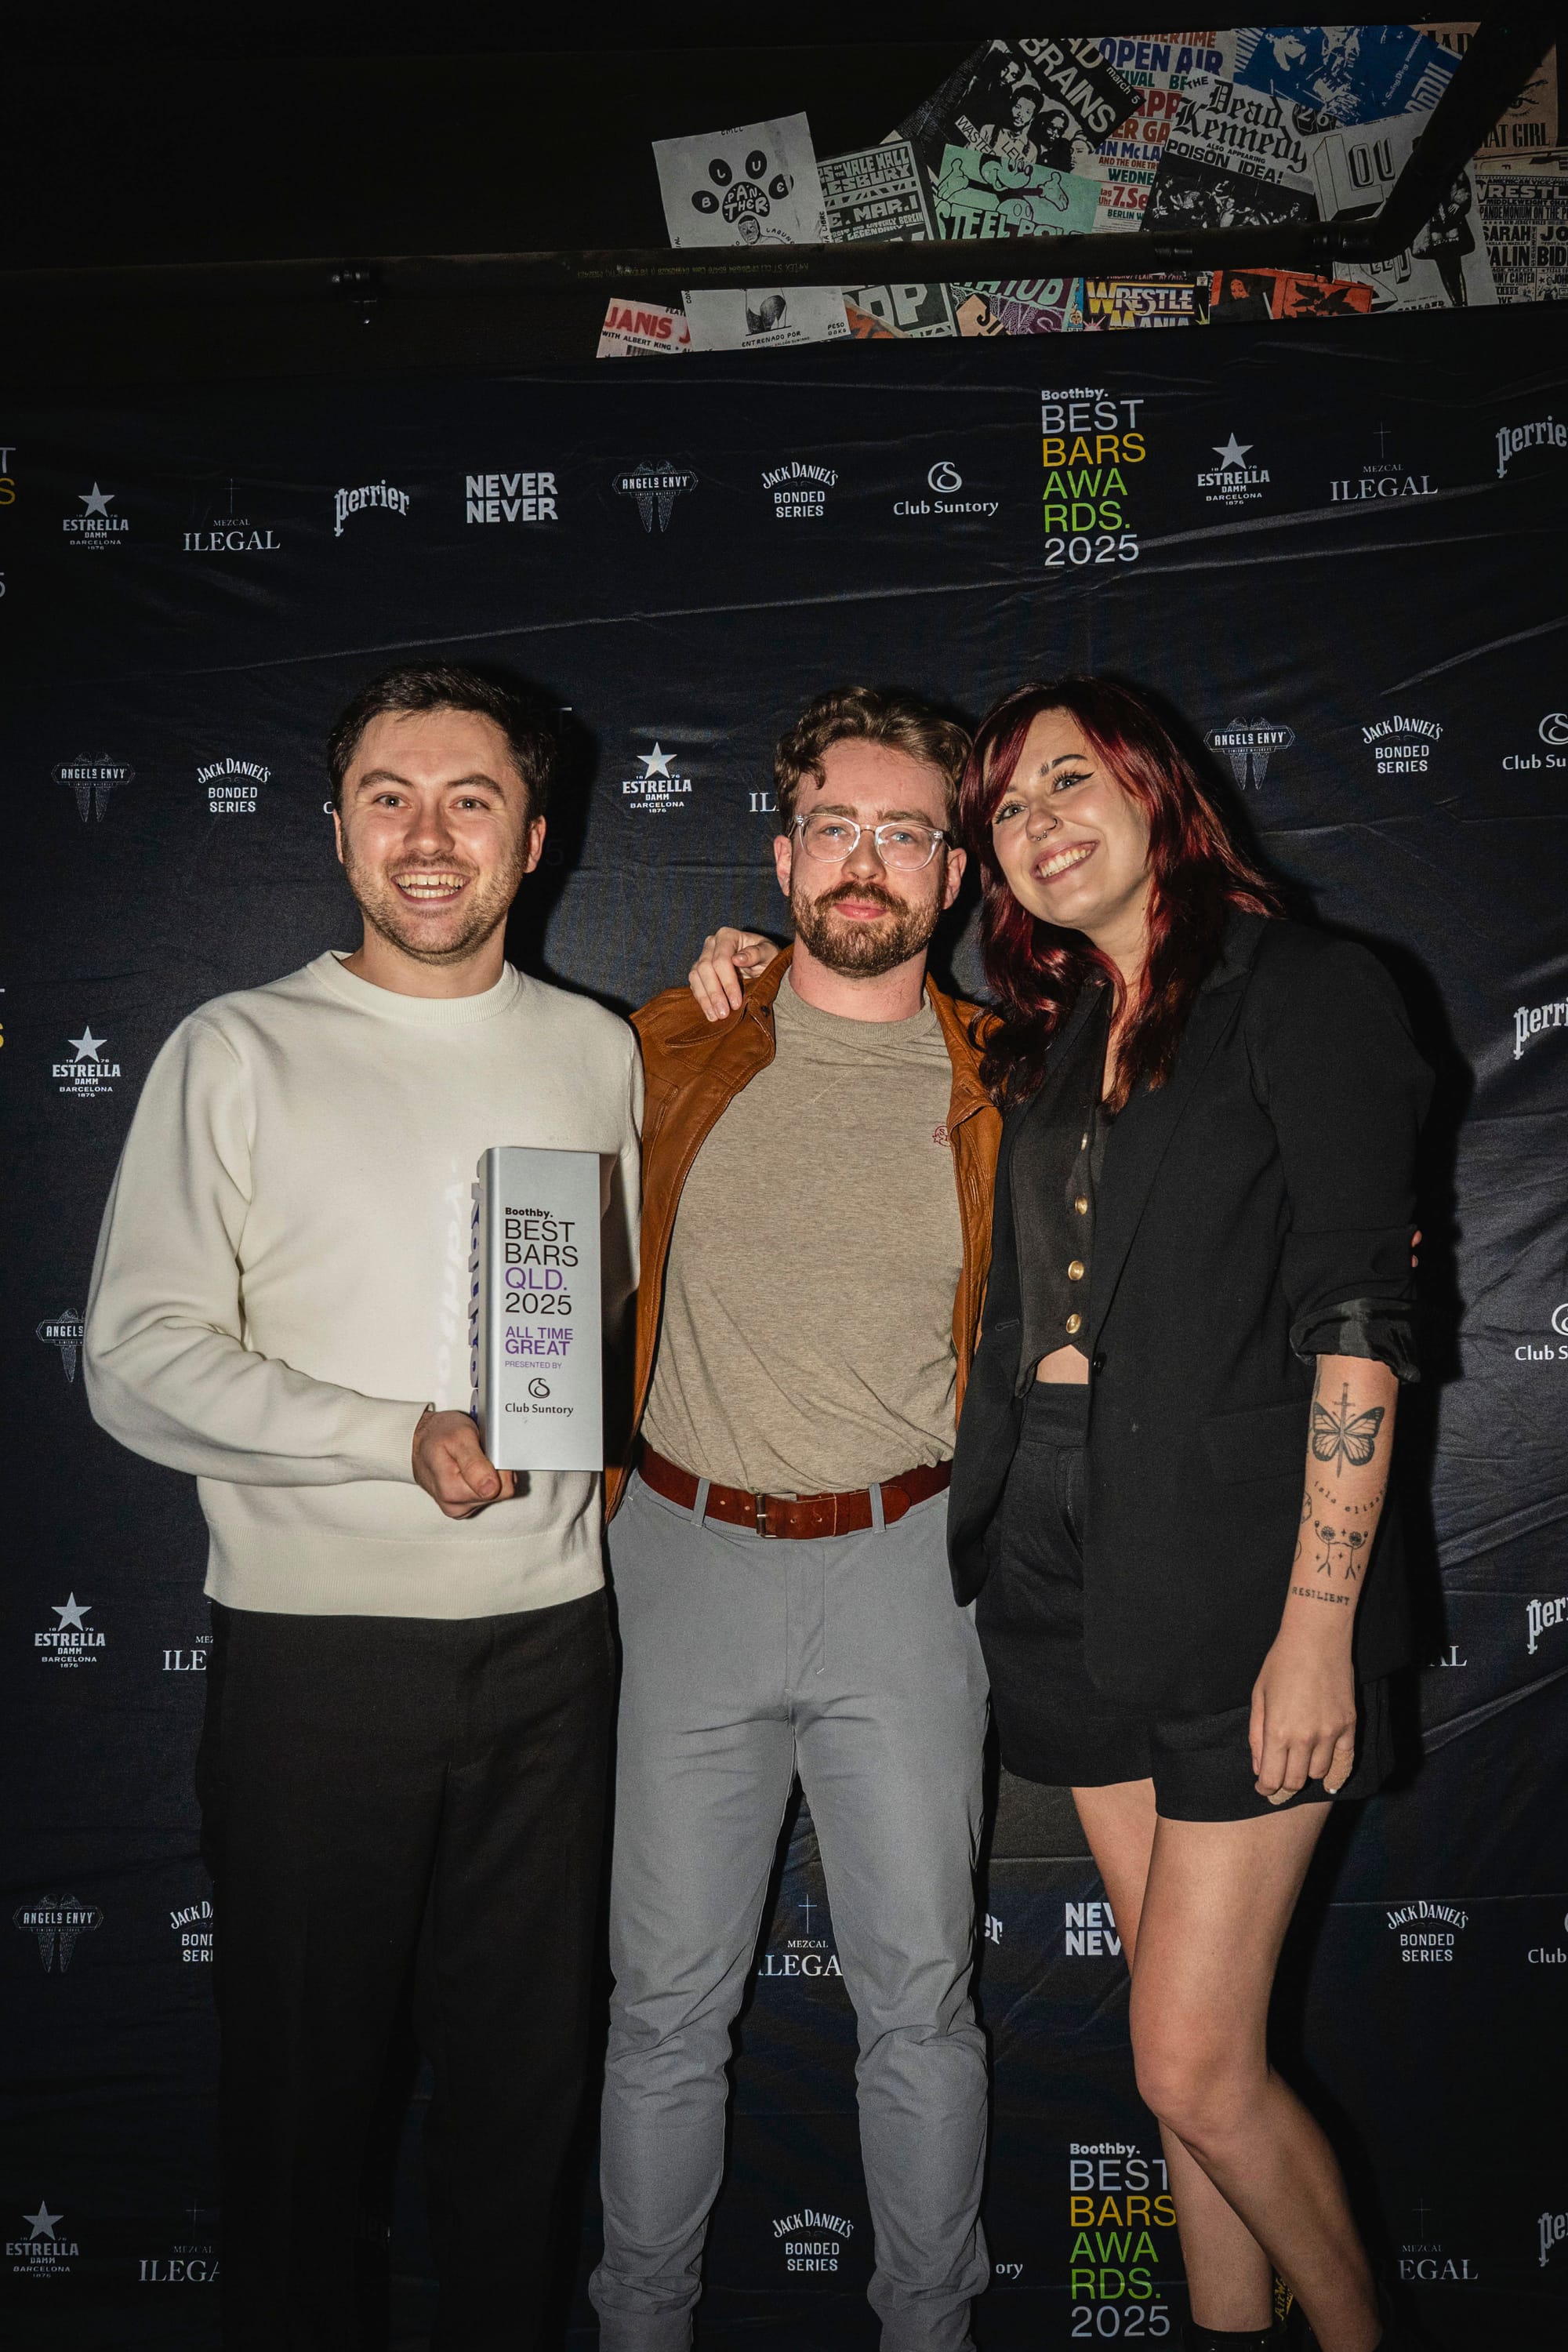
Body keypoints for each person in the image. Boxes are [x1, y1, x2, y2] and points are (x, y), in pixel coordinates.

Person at [84, 664, 641, 2349]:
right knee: (301, 2128)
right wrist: (392, 1435)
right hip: (317, 1672)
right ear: (333, 831)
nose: (428, 833)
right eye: (389, 795)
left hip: (553, 1662)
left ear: (533, 840)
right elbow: (135, 1360)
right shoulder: (236, 1048)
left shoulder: (598, 1053)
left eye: (471, 798)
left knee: (523, 2120)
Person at [947, 676, 1431, 2352]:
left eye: (1065, 781)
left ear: (1158, 790)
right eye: (1002, 808)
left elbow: (1361, 1320)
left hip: (1247, 1582)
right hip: (1059, 1558)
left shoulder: (1308, 991)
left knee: (1190, 2059)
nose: (1034, 824)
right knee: (1183, 2076)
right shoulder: (1047, 1040)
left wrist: (1316, 1631)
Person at [590, 687, 1001, 2352]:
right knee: (662, 2014)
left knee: (921, 2010)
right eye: (836, 823)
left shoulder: (1009, 1078)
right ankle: (639, 2327)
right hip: (680, 1560)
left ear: (954, 874)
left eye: (907, 831)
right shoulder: (664, 1043)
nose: (866, 860)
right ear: (781, 851)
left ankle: (928, 2332)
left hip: (910, 1570)